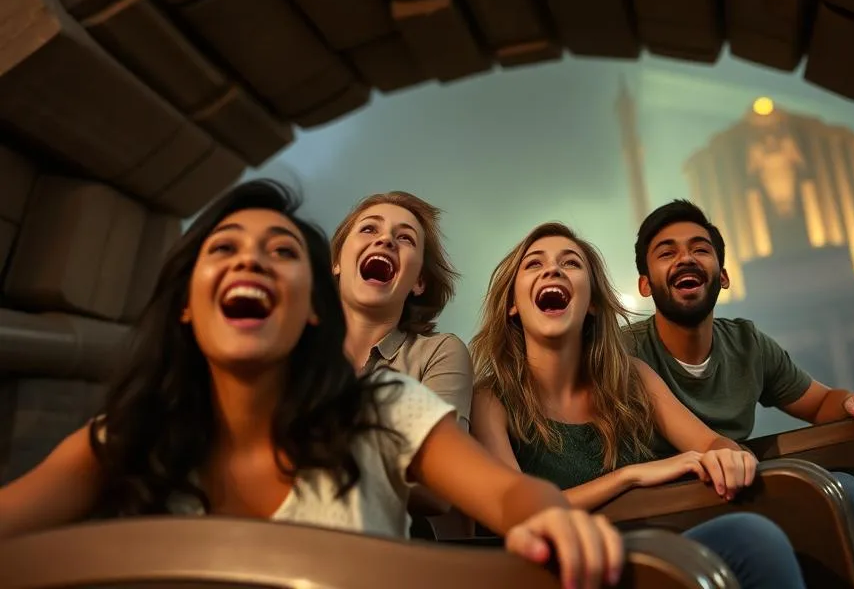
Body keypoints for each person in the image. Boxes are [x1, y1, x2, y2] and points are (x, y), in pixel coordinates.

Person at [0, 181, 622, 589]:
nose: (252, 261)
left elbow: (507, 496)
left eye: (280, 251)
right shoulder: (128, 437)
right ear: (188, 303)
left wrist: (550, 519)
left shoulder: (386, 407)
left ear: (311, 307)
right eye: (225, 248)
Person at [470, 222, 807, 589]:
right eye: (534, 264)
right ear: (513, 305)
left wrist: (729, 455)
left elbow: (710, 443)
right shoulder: (490, 399)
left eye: (571, 263)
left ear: (594, 303)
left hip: (650, 554)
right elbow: (517, 513)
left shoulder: (633, 377)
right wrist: (630, 476)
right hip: (563, 573)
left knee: (755, 537)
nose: (553, 269)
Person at [626, 199, 854, 589]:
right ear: (644, 283)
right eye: (667, 252)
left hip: (733, 490)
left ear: (722, 276)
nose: (685, 258)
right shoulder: (622, 355)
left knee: (850, 490)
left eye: (700, 249)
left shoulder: (747, 343)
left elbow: (821, 402)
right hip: (663, 510)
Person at [331, 192, 471, 516]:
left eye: (405, 237)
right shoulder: (293, 349)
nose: (385, 241)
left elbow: (440, 484)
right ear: (337, 262)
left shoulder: (439, 352)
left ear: (419, 281)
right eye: (368, 229)